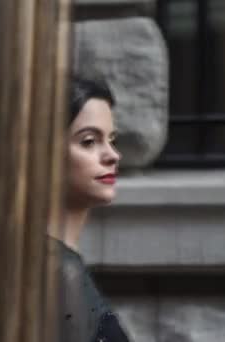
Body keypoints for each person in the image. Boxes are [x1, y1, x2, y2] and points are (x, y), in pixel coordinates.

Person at [49, 75, 131, 342]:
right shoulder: (57, 270)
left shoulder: (60, 263)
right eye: (89, 141)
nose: (112, 155)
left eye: (111, 139)